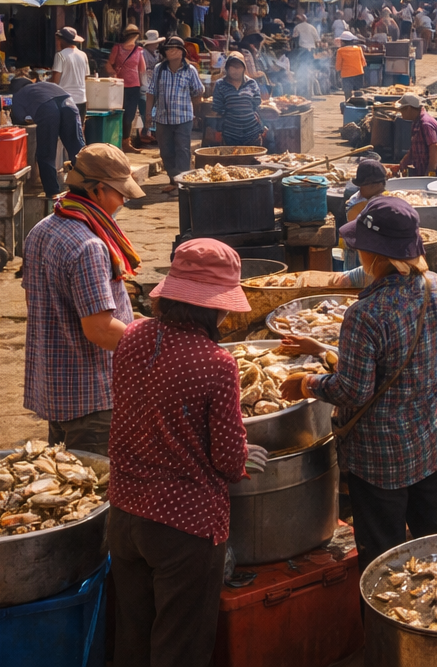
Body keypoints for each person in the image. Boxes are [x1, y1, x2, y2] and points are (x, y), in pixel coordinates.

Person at [108, 239, 269, 667]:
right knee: (180, 645)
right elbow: (229, 461)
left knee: (133, 637)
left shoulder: (134, 336)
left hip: (124, 513)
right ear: (216, 307)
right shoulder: (216, 362)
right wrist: (244, 457)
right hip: (181, 525)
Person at [279, 196, 437, 568]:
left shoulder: (365, 313)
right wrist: (324, 348)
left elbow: (353, 390)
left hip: (384, 459)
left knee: (385, 563)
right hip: (436, 442)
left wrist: (306, 383)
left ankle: (389, 626)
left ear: (376, 255)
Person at [22, 144, 144, 455]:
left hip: (56, 391)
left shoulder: (40, 230)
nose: (124, 200)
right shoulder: (89, 244)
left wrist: (135, 320)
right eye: (120, 193)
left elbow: (58, 304)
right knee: (102, 492)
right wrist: (154, 343)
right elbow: (99, 330)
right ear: (98, 190)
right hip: (92, 399)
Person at [144, 36, 203, 194]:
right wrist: (148, 114)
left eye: (175, 49)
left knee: (182, 150)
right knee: (166, 150)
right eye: (168, 49)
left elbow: (198, 91)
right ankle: (173, 179)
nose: (171, 52)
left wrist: (196, 113)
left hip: (183, 118)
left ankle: (182, 183)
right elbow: (151, 92)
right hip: (163, 118)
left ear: (182, 52)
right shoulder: (159, 69)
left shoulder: (190, 70)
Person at [11, 79, 86, 197]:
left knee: (46, 154)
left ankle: (53, 193)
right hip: (70, 105)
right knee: (78, 151)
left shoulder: (19, 95)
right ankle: (88, 187)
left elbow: (19, 119)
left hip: (47, 110)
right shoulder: (47, 84)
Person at [107, 25, 148, 153]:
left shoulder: (138, 50)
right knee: (118, 114)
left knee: (129, 115)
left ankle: (125, 142)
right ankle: (116, 141)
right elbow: (109, 64)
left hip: (134, 86)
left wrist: (143, 86)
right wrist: (114, 74)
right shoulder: (117, 48)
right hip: (119, 86)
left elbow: (142, 69)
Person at [211, 53, 265, 148]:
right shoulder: (220, 84)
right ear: (227, 68)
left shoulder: (251, 83)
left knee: (253, 160)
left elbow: (257, 105)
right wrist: (218, 130)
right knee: (232, 161)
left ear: (244, 68)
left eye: (239, 67)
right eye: (232, 67)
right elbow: (218, 108)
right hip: (230, 134)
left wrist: (262, 127)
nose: (236, 70)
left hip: (252, 132)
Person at [395, 93, 437, 177]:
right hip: (426, 167)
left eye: (402, 110)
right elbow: (415, 148)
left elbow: (434, 147)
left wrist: (431, 172)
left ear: (408, 108)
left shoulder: (425, 123)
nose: (401, 113)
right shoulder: (416, 122)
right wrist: (404, 162)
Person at [51, 25, 91, 119]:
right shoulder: (83, 55)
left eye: (59, 40)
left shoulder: (60, 55)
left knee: (65, 131)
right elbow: (85, 77)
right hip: (81, 99)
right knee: (78, 130)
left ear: (63, 41)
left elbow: (55, 82)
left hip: (65, 100)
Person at [138, 30, 163, 143]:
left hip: (154, 82)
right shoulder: (143, 53)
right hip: (145, 81)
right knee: (146, 107)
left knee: (154, 108)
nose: (156, 45)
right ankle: (145, 132)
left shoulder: (156, 54)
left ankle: (150, 131)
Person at [335, 31, 367, 101]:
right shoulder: (359, 49)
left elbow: (338, 66)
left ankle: (348, 106)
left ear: (343, 42)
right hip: (359, 73)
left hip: (346, 75)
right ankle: (359, 106)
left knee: (348, 94)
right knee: (358, 93)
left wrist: (337, 71)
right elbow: (364, 63)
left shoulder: (340, 51)